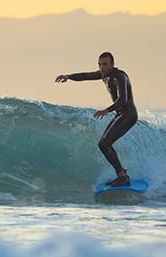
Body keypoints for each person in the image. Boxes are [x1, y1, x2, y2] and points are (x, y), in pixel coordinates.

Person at [55, 51, 138, 187]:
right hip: (120, 114)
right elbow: (86, 75)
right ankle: (122, 174)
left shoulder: (120, 77)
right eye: (99, 64)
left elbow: (123, 99)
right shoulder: (104, 75)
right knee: (104, 144)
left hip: (128, 114)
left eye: (105, 64)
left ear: (112, 64)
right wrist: (68, 76)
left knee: (104, 143)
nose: (101, 68)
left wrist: (107, 110)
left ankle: (122, 176)